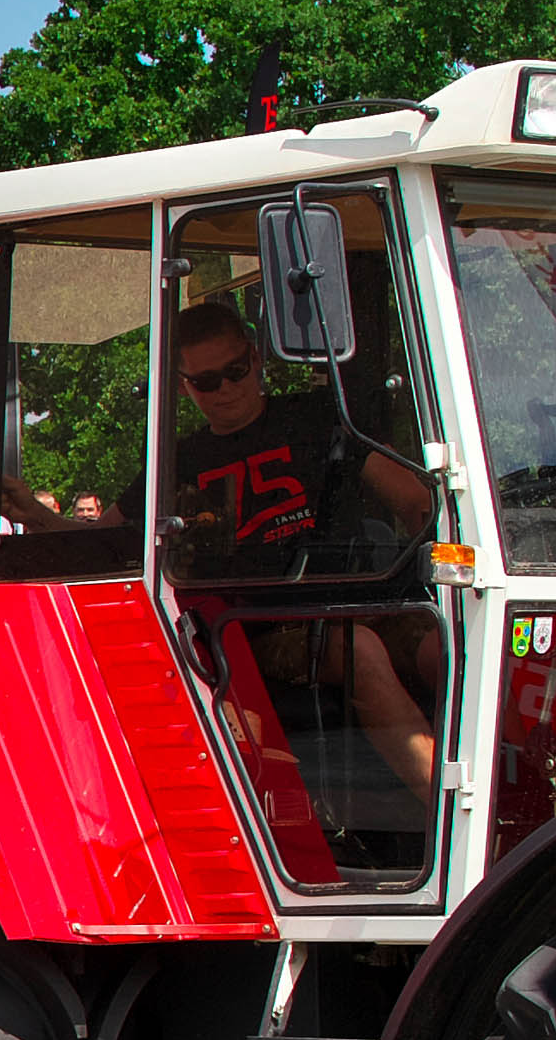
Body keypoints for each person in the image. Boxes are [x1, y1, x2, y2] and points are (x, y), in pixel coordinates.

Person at [160, 300, 444, 793]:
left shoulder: (318, 420)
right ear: (184, 386)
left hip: (357, 597)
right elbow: (111, 536)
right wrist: (29, 514)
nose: (225, 389)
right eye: (207, 382)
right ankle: (450, 831)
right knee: (360, 651)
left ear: (255, 357)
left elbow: (416, 500)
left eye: (235, 371)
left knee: (447, 644)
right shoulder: (177, 460)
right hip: (257, 628)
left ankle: (526, 802)